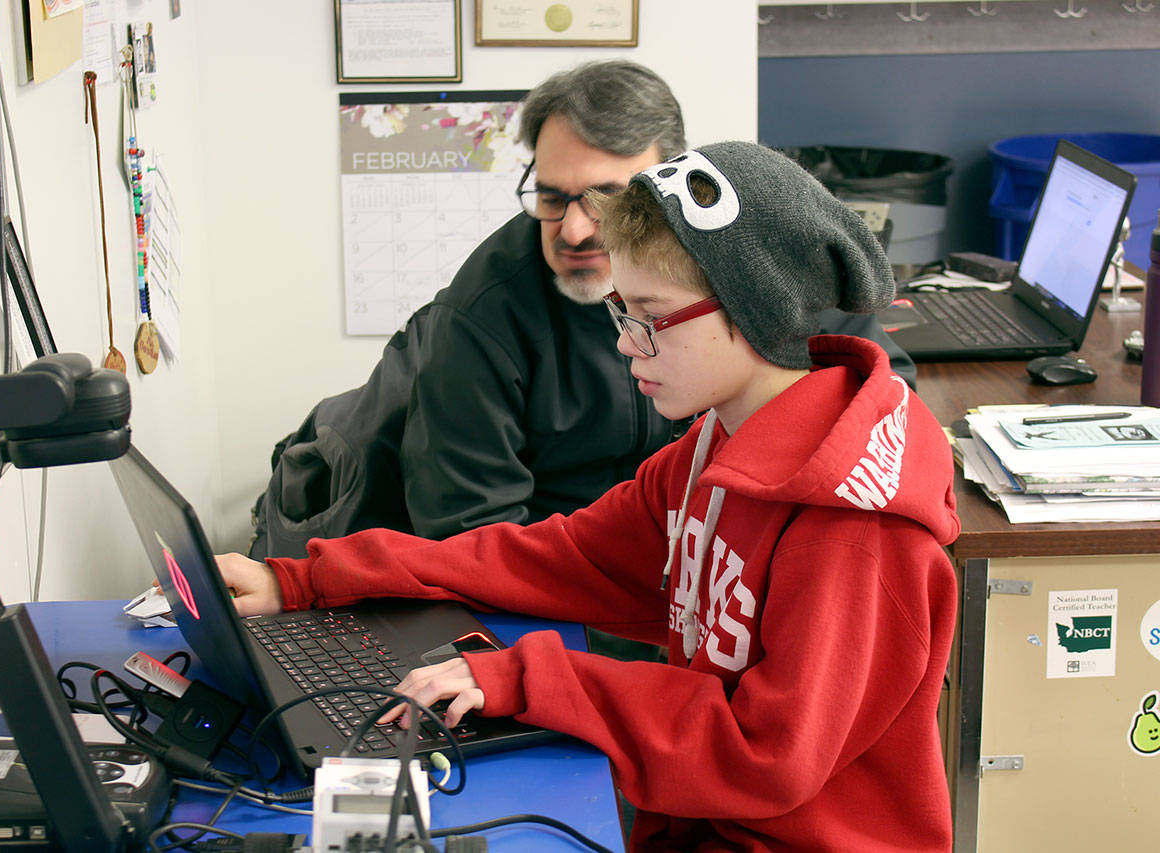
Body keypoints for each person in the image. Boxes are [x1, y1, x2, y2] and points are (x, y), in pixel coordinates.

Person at [219, 141, 960, 851]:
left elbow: (765, 752)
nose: (626, 343)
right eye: (619, 312)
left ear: (755, 308)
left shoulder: (854, 532)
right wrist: (310, 578)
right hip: (702, 824)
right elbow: (561, 555)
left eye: (651, 316)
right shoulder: (712, 447)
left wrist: (530, 675)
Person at [396, 59, 916, 541]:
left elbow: (883, 404)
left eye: (605, 200)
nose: (573, 231)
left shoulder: (762, 254)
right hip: (578, 581)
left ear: (668, 181)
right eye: (552, 198)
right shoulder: (480, 314)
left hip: (736, 551)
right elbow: (470, 531)